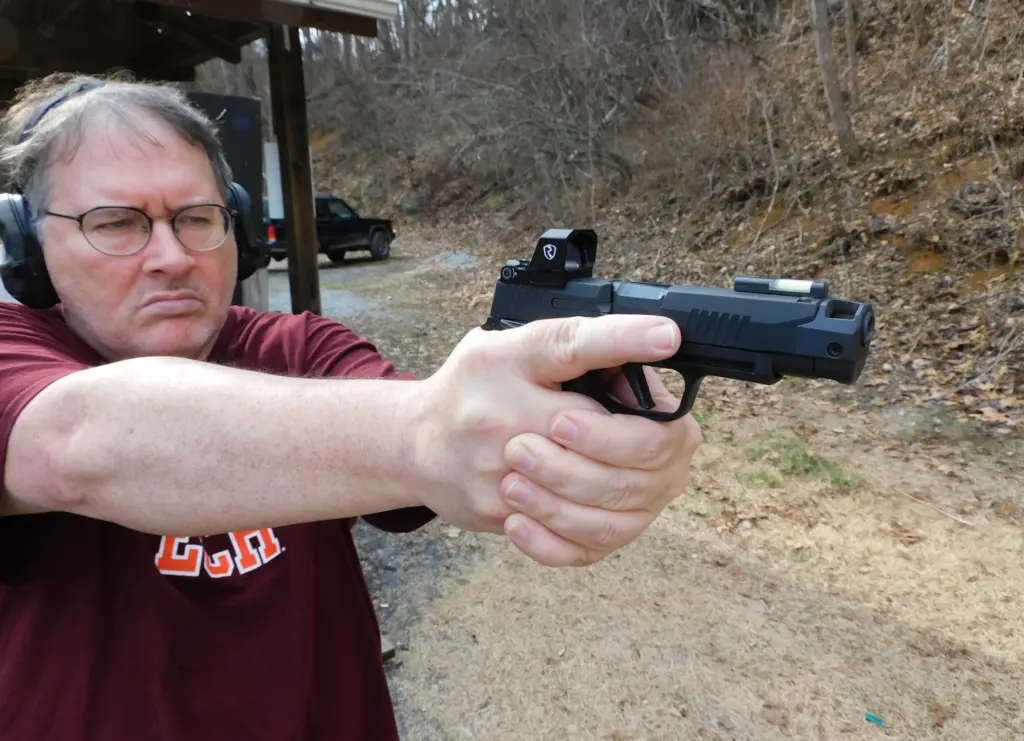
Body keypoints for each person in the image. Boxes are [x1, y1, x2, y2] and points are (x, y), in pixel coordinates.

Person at [0, 72, 702, 740]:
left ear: (237, 228)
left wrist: (578, 431)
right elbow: (79, 442)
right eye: (117, 223)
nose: (171, 256)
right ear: (27, 246)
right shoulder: (11, 352)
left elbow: (451, 432)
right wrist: (423, 437)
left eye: (196, 217)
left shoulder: (303, 346)